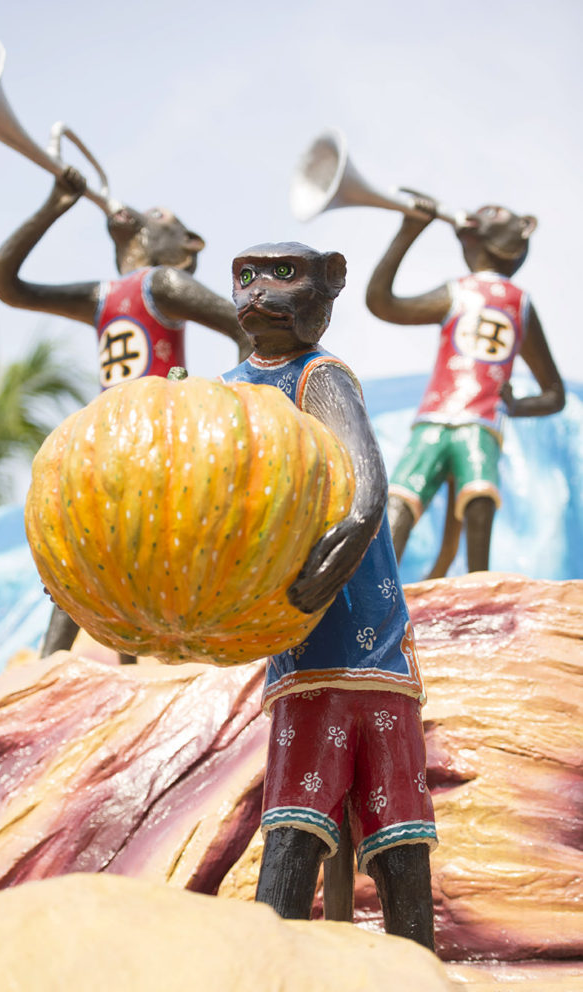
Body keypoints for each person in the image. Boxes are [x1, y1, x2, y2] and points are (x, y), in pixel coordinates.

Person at [221, 241, 437, 949]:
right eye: (245, 276)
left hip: (363, 635)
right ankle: (269, 976)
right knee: (293, 819)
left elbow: (366, 492)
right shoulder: (226, 391)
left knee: (394, 827)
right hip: (298, 651)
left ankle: (416, 972)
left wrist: (312, 584)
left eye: (281, 275)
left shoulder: (318, 375)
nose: (258, 291)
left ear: (328, 285)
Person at [0, 168, 251, 655]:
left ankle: (88, 659)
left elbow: (243, 331)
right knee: (86, 545)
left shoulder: (162, 283)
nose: (145, 216)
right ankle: (58, 662)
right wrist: (53, 206)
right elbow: (3, 284)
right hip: (107, 436)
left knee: (128, 543)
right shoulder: (103, 296)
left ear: (186, 246)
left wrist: (242, 417)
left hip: (163, 434)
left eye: (160, 216)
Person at [366, 202, 565, 574]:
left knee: (478, 494)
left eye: (492, 213)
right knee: (403, 497)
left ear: (521, 230)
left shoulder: (517, 303)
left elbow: (554, 395)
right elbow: (382, 304)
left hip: (481, 422)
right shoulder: (460, 292)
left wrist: (515, 405)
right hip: (436, 418)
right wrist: (407, 233)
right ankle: (381, 586)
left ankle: (478, 586)